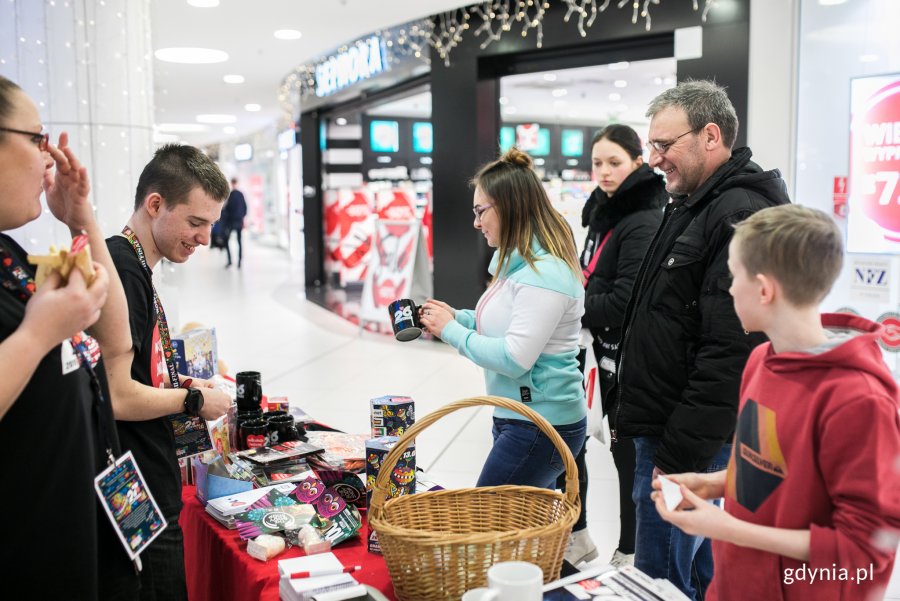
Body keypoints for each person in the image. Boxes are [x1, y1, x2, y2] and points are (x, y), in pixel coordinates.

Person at [653, 204, 900, 600]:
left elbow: (864, 551)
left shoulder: (858, 400)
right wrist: (715, 483)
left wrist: (722, 527)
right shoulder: (761, 360)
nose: (730, 288)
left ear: (764, 290)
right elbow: (770, 473)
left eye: (733, 277)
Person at [612, 80, 791, 600]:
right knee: (693, 573)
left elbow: (733, 350)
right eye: (651, 146)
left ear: (711, 136)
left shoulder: (735, 213)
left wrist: (678, 453)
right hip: (672, 429)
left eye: (664, 145)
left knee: (660, 579)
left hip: (685, 440)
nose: (654, 159)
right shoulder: (693, 203)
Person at [0, 75, 139, 599]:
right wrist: (38, 334)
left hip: (77, 546)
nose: (48, 159)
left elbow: (116, 339)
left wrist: (80, 216)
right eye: (36, 139)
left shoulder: (10, 257)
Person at [104, 144, 233, 601]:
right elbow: (117, 394)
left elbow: (136, 371)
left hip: (149, 473)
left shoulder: (136, 266)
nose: (203, 239)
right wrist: (193, 401)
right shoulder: (124, 271)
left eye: (210, 226)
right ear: (154, 204)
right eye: (195, 223)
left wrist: (178, 383)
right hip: (137, 487)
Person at [420, 147, 586, 490]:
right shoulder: (520, 265)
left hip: (541, 424)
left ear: (510, 207)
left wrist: (451, 331)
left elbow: (514, 357)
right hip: (520, 416)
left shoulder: (545, 274)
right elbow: (505, 323)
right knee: (520, 533)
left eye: (482, 211)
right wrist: (459, 318)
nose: (476, 222)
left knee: (487, 523)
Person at [562, 124, 669, 568]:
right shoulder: (603, 212)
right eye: (597, 163)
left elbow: (626, 301)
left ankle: (628, 553)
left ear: (638, 162)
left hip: (626, 360)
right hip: (598, 355)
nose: (604, 172)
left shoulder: (642, 217)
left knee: (628, 458)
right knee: (583, 445)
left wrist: (573, 306)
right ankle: (582, 536)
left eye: (614, 162)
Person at [222, 176, 247, 268]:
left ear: (231, 183)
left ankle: (230, 261)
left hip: (231, 222)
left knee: (226, 240)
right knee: (239, 241)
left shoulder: (231, 195)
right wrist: (242, 218)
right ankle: (239, 262)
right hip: (239, 221)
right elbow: (245, 208)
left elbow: (227, 209)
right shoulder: (241, 194)